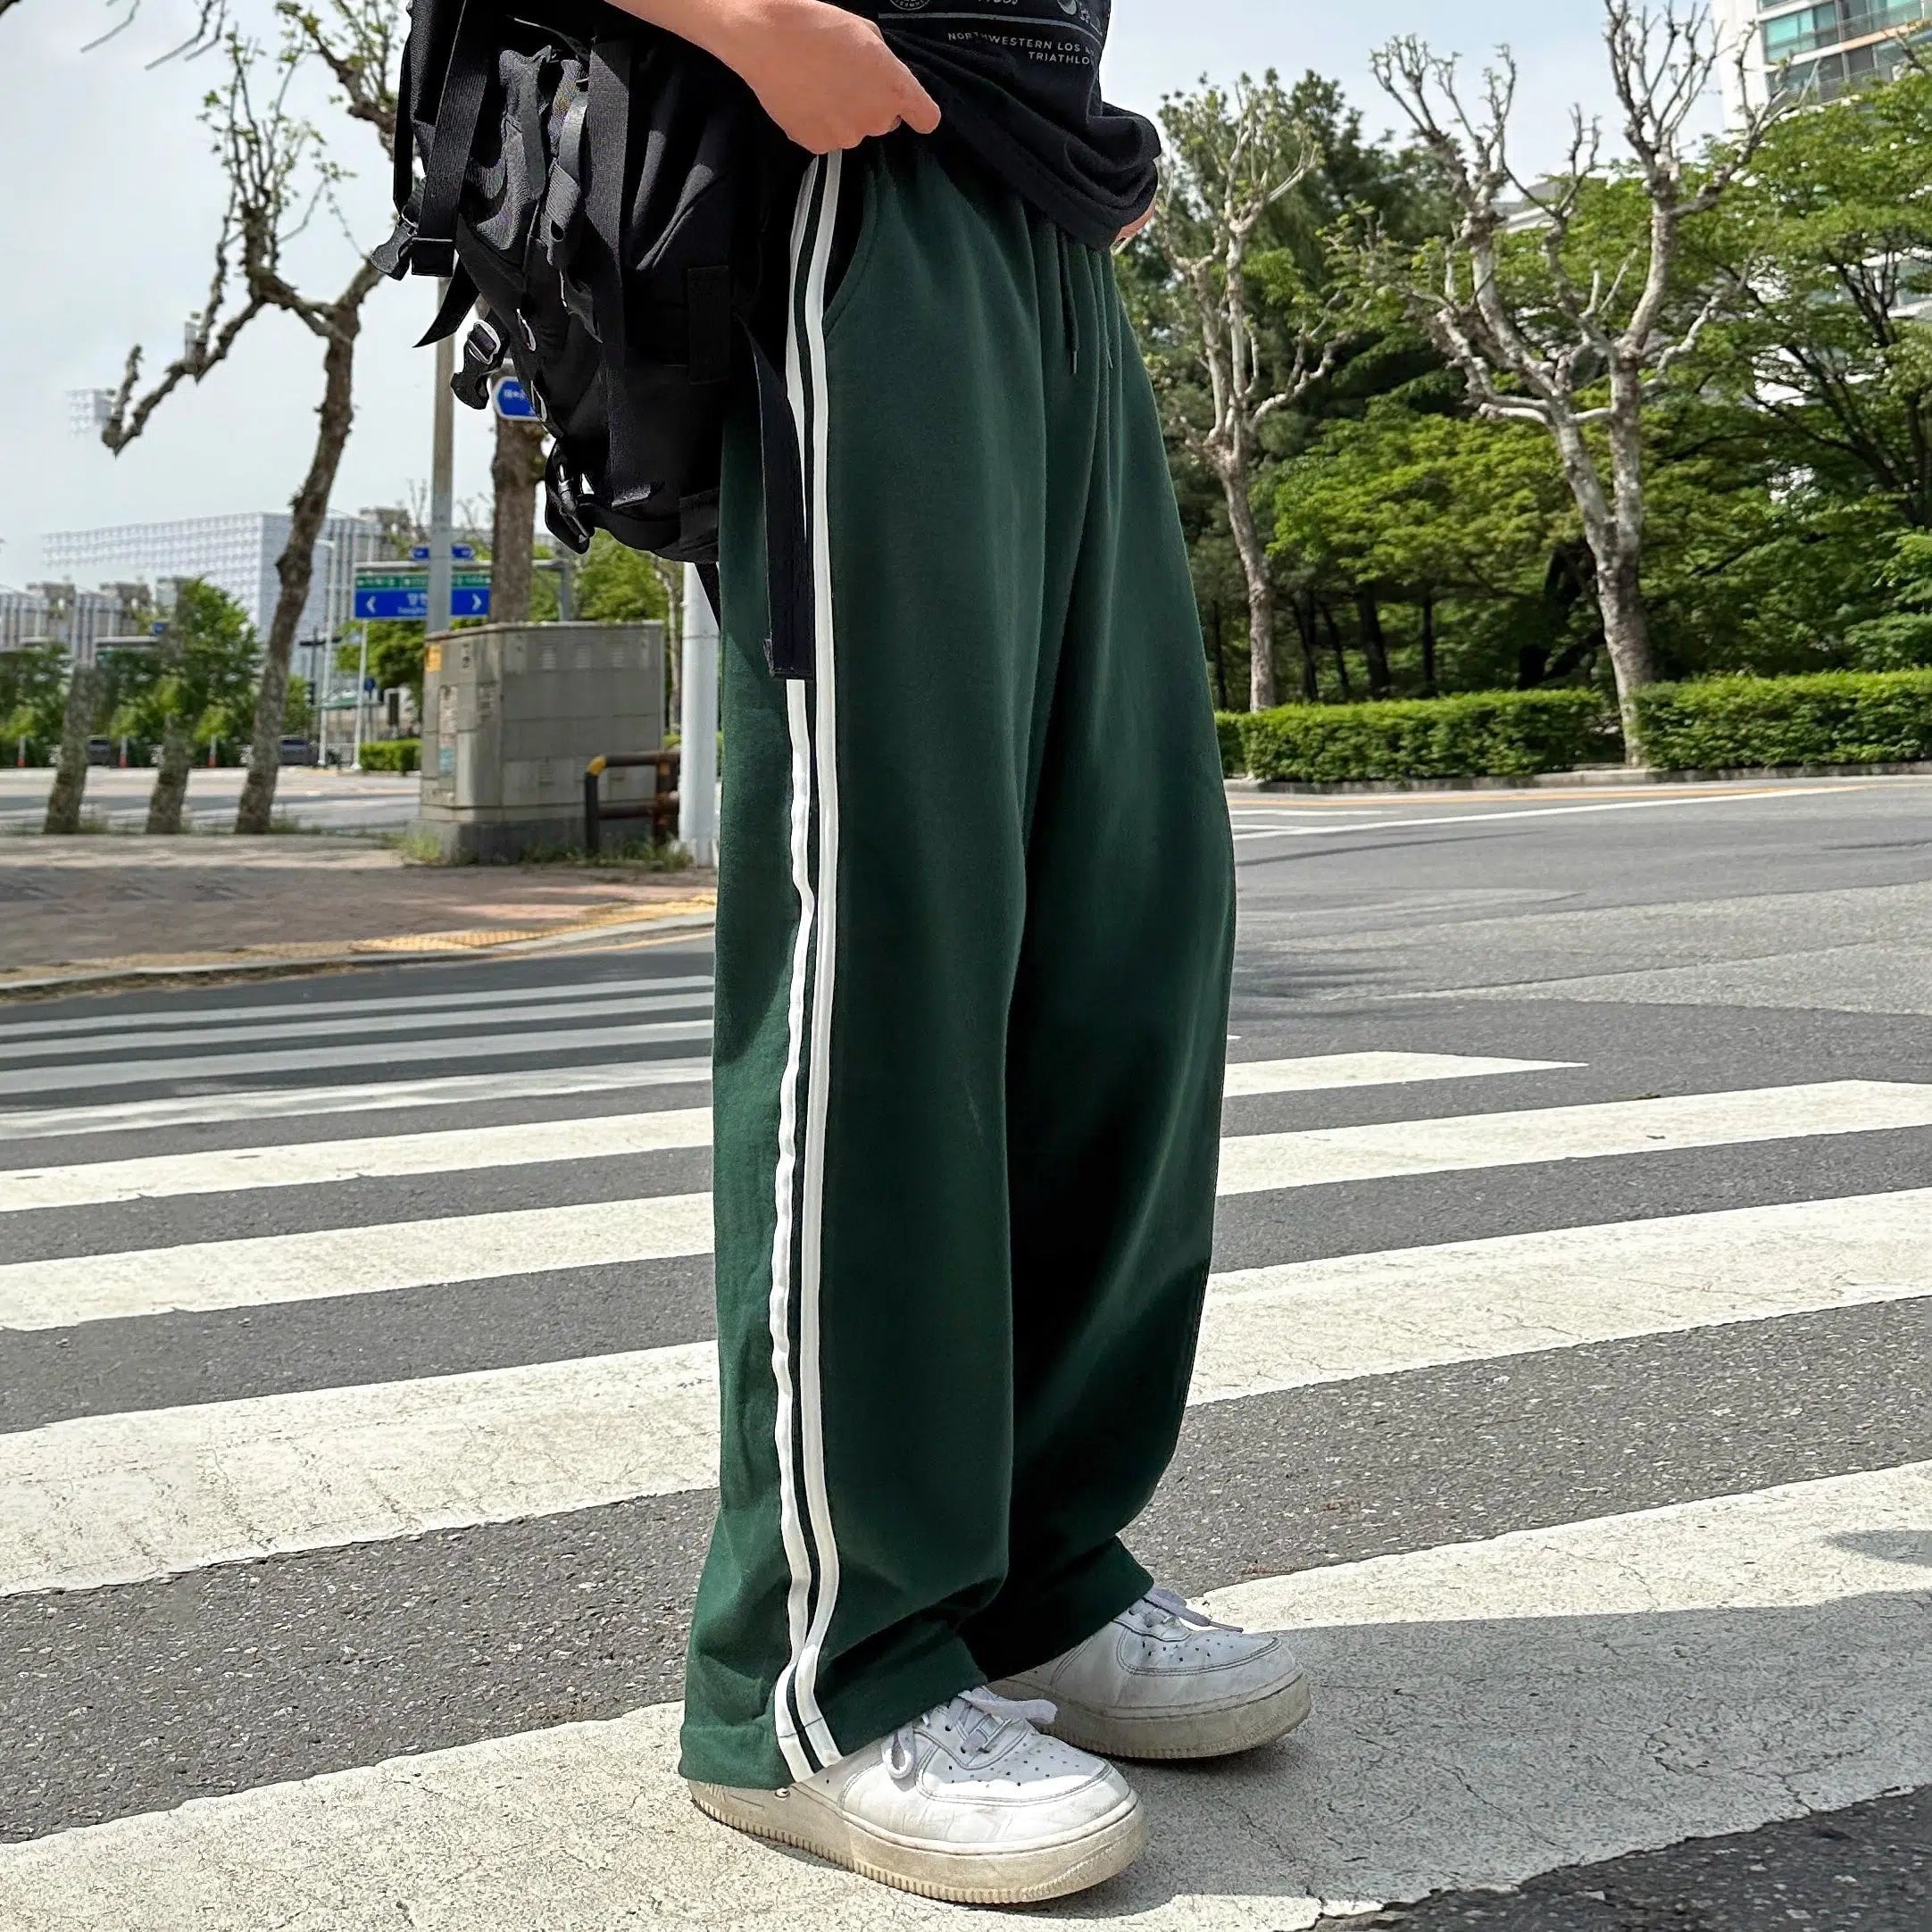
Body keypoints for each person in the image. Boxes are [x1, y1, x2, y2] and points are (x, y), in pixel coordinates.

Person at [609, 0, 1310, 1903]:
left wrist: (1072, 135)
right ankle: (818, 1670)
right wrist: (756, 27)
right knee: (890, 933)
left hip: (1032, 199)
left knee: (1125, 919)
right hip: (859, 177)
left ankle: (1030, 1571)